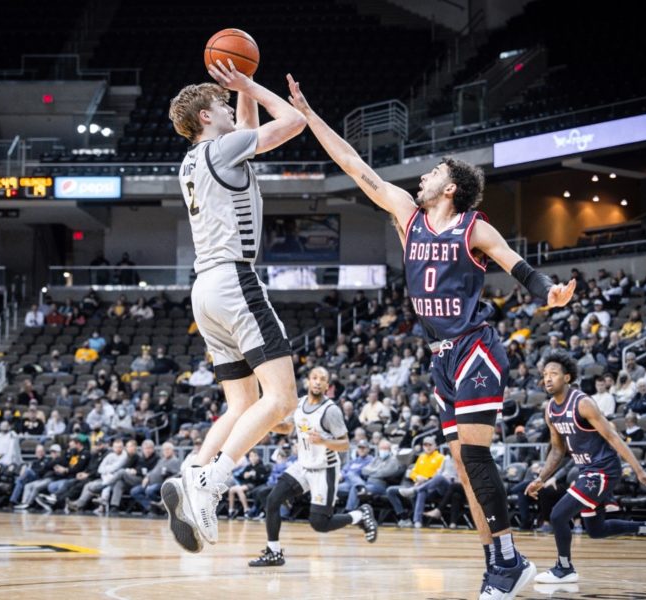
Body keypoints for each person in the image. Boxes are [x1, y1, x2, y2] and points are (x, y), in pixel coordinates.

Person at [286, 73, 577, 599]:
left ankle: (507, 562)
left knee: (477, 457)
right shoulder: (408, 216)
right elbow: (354, 164)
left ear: (451, 188)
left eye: (434, 172)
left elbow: (522, 269)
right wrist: (308, 114)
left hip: (475, 349)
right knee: (463, 467)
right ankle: (501, 562)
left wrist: (550, 292)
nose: (423, 176)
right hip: (439, 355)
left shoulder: (473, 227)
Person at [159, 58, 308, 554]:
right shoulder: (220, 149)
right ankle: (213, 483)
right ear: (205, 118)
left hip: (205, 290)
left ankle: (192, 474)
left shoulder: (198, 158)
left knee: (243, 404)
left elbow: (247, 128)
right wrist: (252, 83)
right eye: (219, 103)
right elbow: (292, 122)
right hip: (235, 281)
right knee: (283, 400)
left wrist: (239, 88)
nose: (228, 108)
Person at [525, 351, 646, 585]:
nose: (547, 378)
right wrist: (541, 478)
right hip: (588, 472)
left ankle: (564, 568)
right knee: (595, 529)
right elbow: (557, 451)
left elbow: (613, 436)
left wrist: (638, 469)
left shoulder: (582, 403)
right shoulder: (550, 411)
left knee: (558, 515)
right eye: (545, 374)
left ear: (567, 377)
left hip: (604, 470)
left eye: (553, 374)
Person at [248, 367, 377, 567]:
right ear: (308, 381)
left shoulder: (330, 410)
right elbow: (287, 428)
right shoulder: (299, 404)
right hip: (303, 466)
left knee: (320, 523)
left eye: (322, 379)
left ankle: (360, 515)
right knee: (272, 500)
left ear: (327, 385)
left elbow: (344, 444)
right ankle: (274, 552)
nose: (317, 382)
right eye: (314, 378)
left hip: (325, 469)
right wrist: (266, 422)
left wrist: (324, 441)